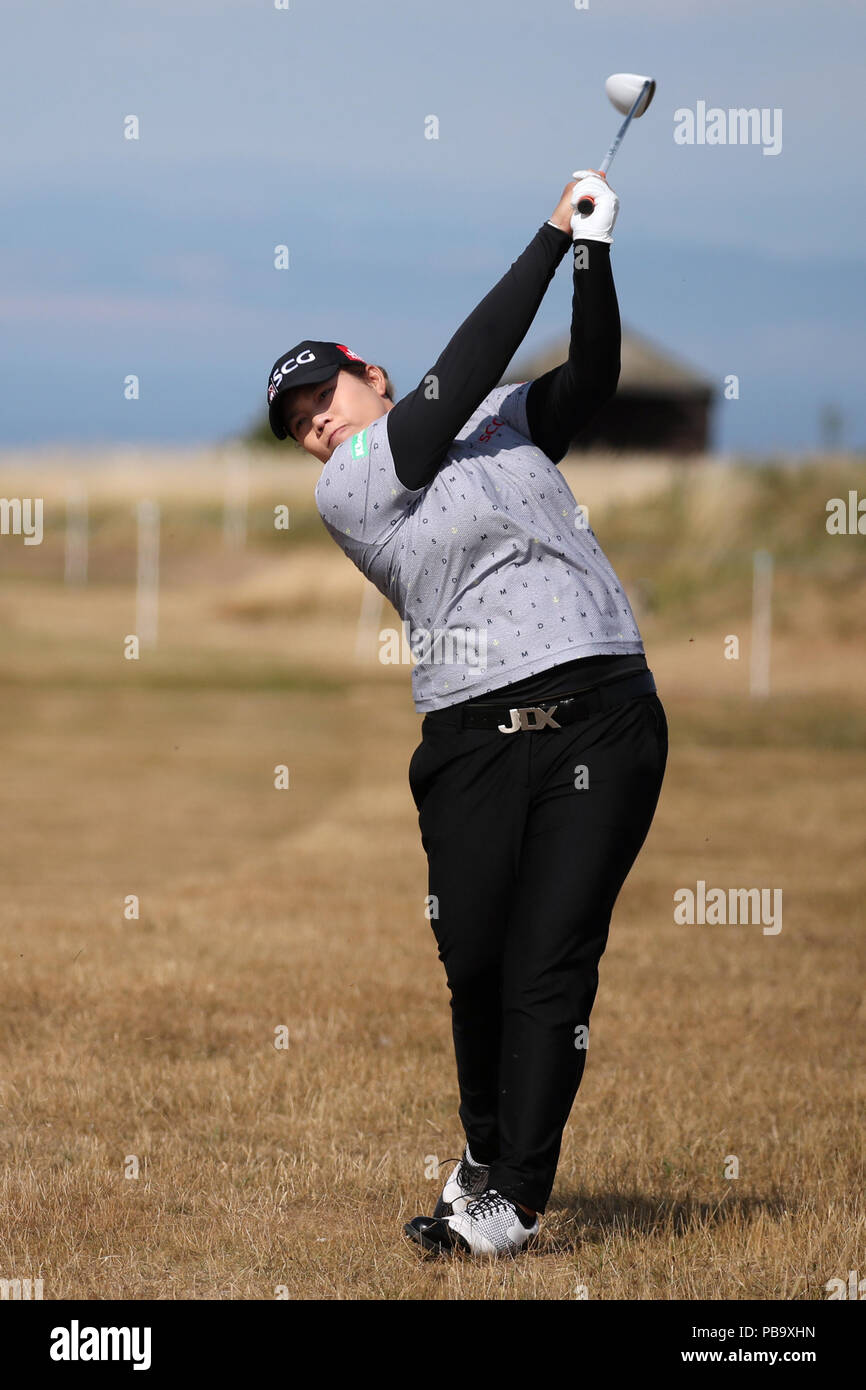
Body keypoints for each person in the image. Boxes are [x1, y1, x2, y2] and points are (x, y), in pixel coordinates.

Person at [265, 170, 668, 1259]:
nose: (314, 425)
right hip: (472, 745)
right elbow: (460, 376)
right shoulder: (351, 488)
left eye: (324, 398)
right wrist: (544, 236)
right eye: (299, 423)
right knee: (477, 958)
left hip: (603, 713)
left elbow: (587, 376)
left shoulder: (503, 425)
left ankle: (510, 1203)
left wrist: (591, 252)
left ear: (370, 375)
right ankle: (484, 1149)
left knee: (550, 962)